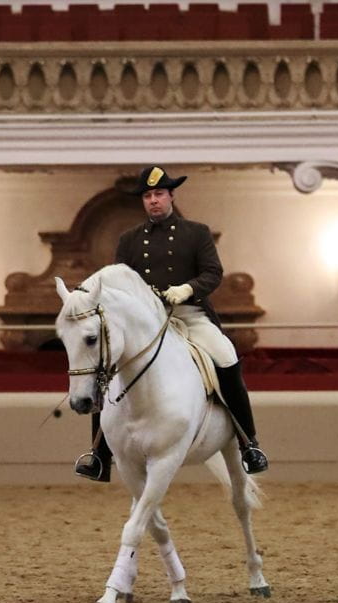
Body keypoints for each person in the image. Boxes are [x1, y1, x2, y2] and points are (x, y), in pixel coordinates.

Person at [74, 165, 269, 482]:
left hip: (190, 316)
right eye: (148, 195)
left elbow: (212, 273)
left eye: (159, 194)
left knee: (226, 358)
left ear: (171, 196)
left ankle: (249, 443)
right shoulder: (130, 240)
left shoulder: (197, 232)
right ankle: (98, 454)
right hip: (148, 323)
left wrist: (187, 289)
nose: (153, 200)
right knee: (106, 368)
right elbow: (120, 281)